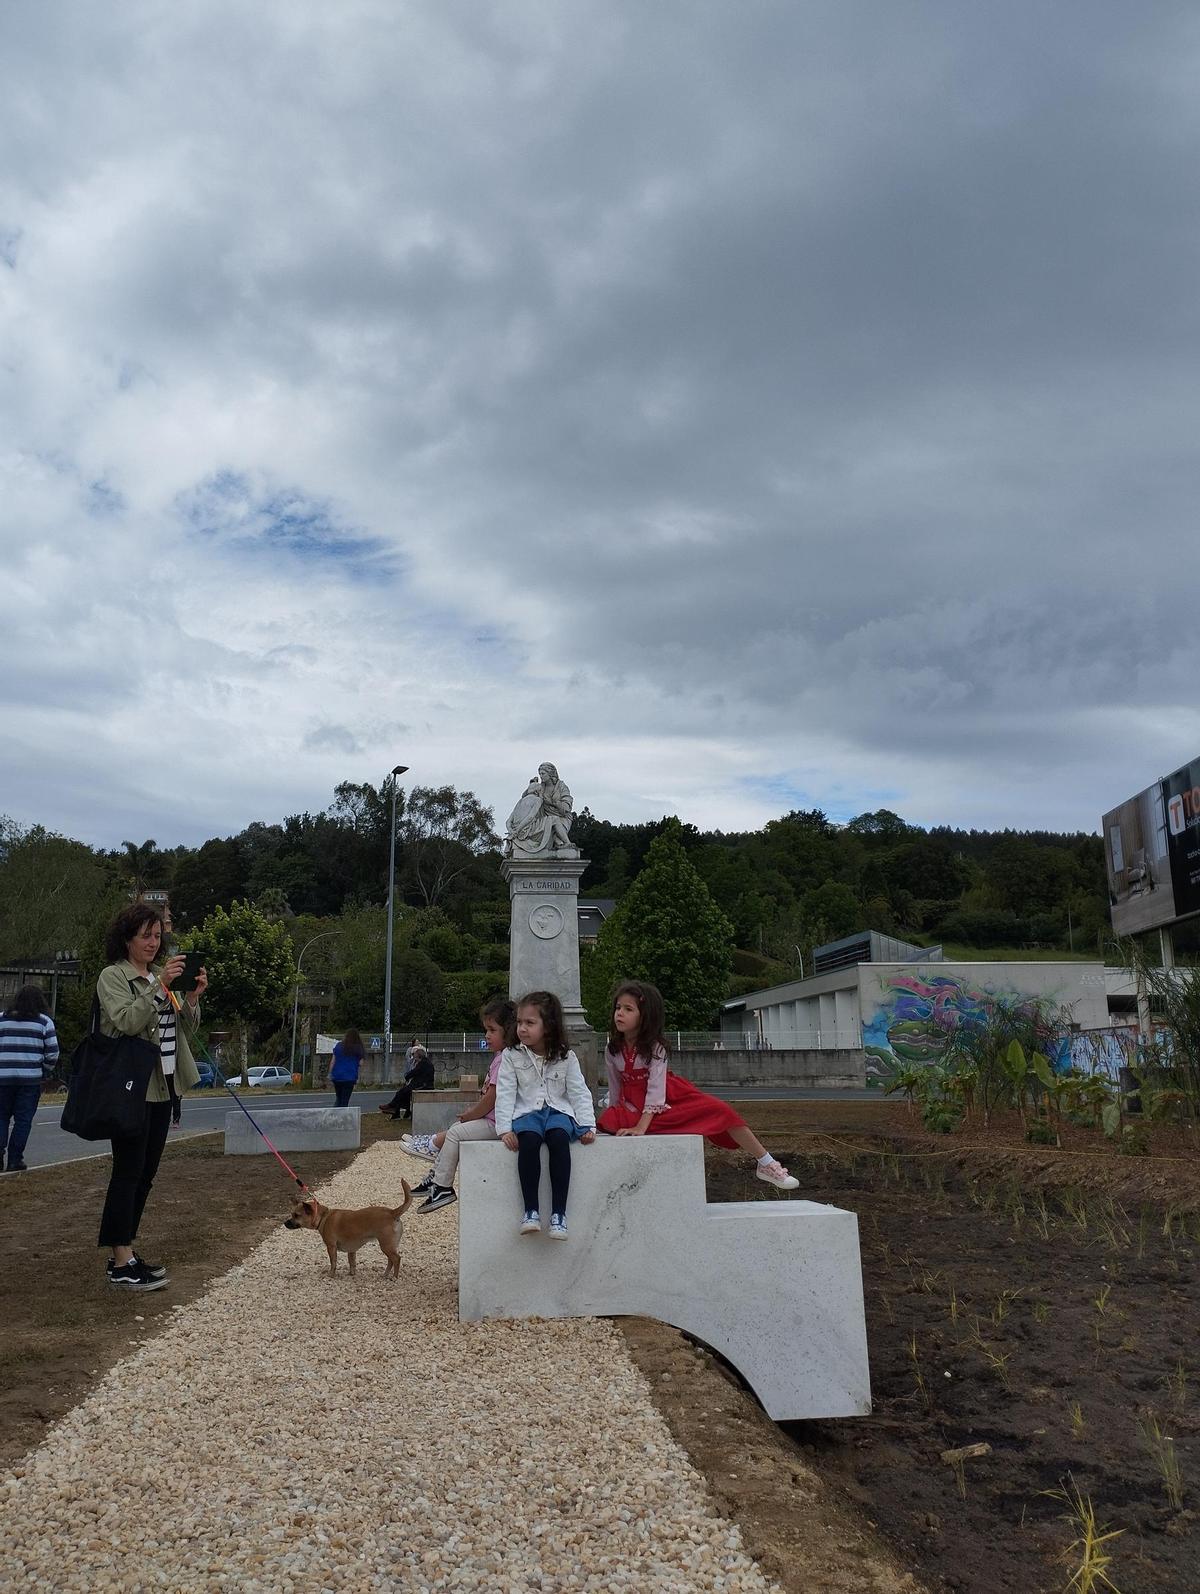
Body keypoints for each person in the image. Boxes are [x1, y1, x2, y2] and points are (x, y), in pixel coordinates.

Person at [96, 903, 206, 1291]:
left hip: (164, 1086)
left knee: (145, 1175)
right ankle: (121, 1258)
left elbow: (183, 1031)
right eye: (145, 935)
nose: (153, 943)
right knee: (127, 1172)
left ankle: (124, 1253)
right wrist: (159, 986)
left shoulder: (160, 978)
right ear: (126, 938)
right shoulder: (114, 977)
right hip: (131, 1089)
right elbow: (126, 1021)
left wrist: (191, 997)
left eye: (157, 936)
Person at [598, 981, 799, 1190]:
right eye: (618, 1008)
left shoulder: (655, 1048)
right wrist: (614, 1112)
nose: (619, 1013)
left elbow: (656, 1091)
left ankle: (766, 1163)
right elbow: (615, 1088)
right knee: (609, 1122)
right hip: (632, 1106)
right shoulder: (612, 1049)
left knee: (721, 1110)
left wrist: (641, 1127)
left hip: (665, 1101)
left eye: (628, 1009)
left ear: (645, 1015)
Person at [494, 989, 595, 1240]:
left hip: (558, 1111)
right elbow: (505, 1092)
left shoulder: (566, 1056)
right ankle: (531, 1211)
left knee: (559, 1139)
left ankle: (559, 1214)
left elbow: (578, 1092)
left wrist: (587, 1124)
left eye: (530, 1023)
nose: (522, 1028)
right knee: (528, 1141)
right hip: (528, 1112)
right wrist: (504, 1128)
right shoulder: (511, 1055)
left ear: (548, 1026)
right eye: (519, 1022)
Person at [405, 997, 517, 1213]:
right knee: (456, 1130)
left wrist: (473, 1114)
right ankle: (435, 1177)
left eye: (492, 1030)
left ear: (508, 1031)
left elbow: (493, 1097)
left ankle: (443, 1186)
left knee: (456, 1133)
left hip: (499, 1123)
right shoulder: (501, 1057)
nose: (487, 1035)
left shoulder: (505, 1060)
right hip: (494, 1119)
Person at [0, 984, 59, 1173]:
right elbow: (53, 1053)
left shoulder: (1, 1019)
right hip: (30, 1080)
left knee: (1, 1118)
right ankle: (15, 1160)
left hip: (2, 1078)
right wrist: (44, 1070)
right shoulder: (44, 1022)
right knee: (23, 1121)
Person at [381, 1041, 433, 1120]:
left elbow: (413, 1073)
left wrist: (407, 1076)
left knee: (402, 1092)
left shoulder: (423, 1063)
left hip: (423, 1085)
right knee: (402, 1092)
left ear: (418, 1056)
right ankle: (395, 1109)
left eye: (414, 1055)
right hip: (423, 1084)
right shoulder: (426, 1062)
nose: (413, 1057)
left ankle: (393, 1107)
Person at [330, 1029, 365, 1107]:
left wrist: (330, 1073)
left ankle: (334, 1115)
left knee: (339, 1098)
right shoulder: (358, 1048)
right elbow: (361, 1063)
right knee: (344, 1101)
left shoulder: (339, 1045)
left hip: (337, 1076)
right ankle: (341, 1117)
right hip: (350, 1077)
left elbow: (333, 1061)